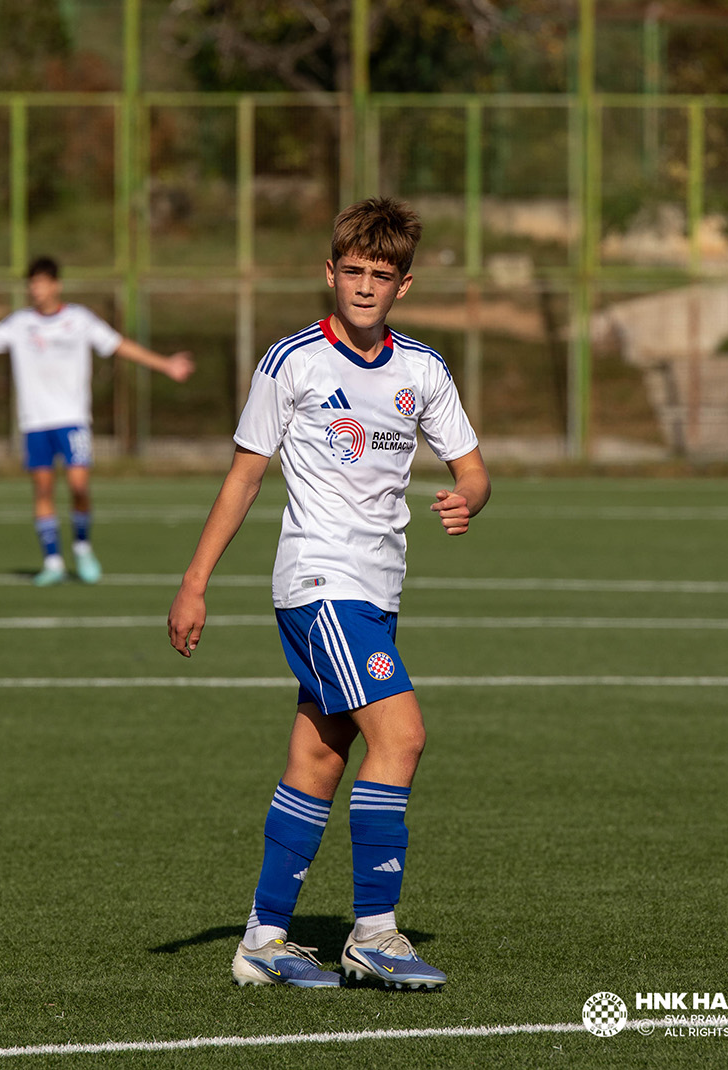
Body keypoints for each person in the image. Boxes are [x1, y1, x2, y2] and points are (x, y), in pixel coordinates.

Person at [166, 197, 489, 991]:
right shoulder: (293, 363)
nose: (365, 286)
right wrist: (193, 582)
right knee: (402, 735)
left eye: (381, 275)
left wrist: (467, 498)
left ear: (403, 285)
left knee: (318, 755)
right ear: (329, 273)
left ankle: (263, 939)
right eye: (352, 271)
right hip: (318, 583)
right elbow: (245, 474)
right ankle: (374, 933)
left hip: (375, 593)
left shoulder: (422, 370)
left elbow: (472, 467)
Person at [0, 256, 195, 585]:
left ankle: (82, 547)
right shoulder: (20, 323)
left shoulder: (80, 320)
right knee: (43, 490)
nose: (36, 290)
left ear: (56, 284)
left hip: (73, 420)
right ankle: (53, 561)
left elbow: (119, 346)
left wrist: (165, 365)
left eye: (41, 283)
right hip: (35, 423)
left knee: (78, 486)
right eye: (31, 284)